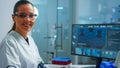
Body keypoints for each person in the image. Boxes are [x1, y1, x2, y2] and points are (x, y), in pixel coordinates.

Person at [0, 0, 46, 68]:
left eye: (31, 15)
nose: (27, 20)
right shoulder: (9, 42)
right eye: (22, 15)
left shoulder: (30, 39)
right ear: (13, 17)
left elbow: (39, 63)